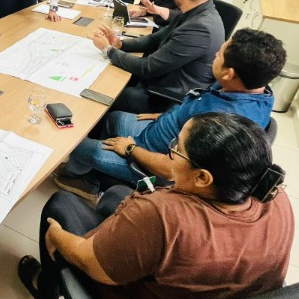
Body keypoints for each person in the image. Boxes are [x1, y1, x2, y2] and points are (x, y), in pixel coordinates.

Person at [19, 112, 293, 299]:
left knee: (61, 204)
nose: (170, 153)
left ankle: (46, 288)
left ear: (202, 178)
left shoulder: (164, 216)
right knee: (116, 194)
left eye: (178, 149)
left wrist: (57, 237)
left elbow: (90, 262)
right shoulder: (275, 197)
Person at [54, 28, 286, 199]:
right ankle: (90, 174)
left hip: (155, 162)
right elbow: (196, 103)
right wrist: (163, 116)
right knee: (114, 118)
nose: (215, 54)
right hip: (162, 132)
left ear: (229, 73)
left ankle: (82, 178)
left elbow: (172, 170)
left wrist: (130, 149)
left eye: (219, 55)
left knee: (76, 145)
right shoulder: (250, 87)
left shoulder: (223, 124)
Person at [90, 0, 224, 114]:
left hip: (167, 98)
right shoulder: (195, 13)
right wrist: (120, 44)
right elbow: (155, 39)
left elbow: (147, 67)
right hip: (163, 79)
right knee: (111, 77)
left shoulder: (199, 29)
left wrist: (108, 50)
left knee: (103, 91)